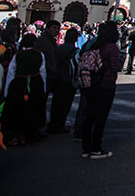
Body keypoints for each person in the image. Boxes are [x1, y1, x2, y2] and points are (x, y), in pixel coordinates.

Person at [82, 21, 122, 159]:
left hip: (92, 83)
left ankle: (86, 146)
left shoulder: (95, 44)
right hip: (106, 84)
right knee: (101, 117)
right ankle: (96, 148)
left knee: (90, 115)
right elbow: (116, 66)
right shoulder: (112, 47)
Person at [3, 33, 46, 146]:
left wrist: (7, 90)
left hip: (18, 84)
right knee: (32, 109)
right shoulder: (39, 54)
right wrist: (44, 88)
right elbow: (42, 72)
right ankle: (28, 134)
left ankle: (16, 135)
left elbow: (11, 73)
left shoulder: (18, 55)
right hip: (35, 83)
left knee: (17, 109)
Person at [48, 27, 80, 133]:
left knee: (56, 103)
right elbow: (76, 67)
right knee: (65, 105)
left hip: (57, 79)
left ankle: (53, 124)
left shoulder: (58, 48)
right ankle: (59, 125)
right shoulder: (75, 51)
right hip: (68, 81)